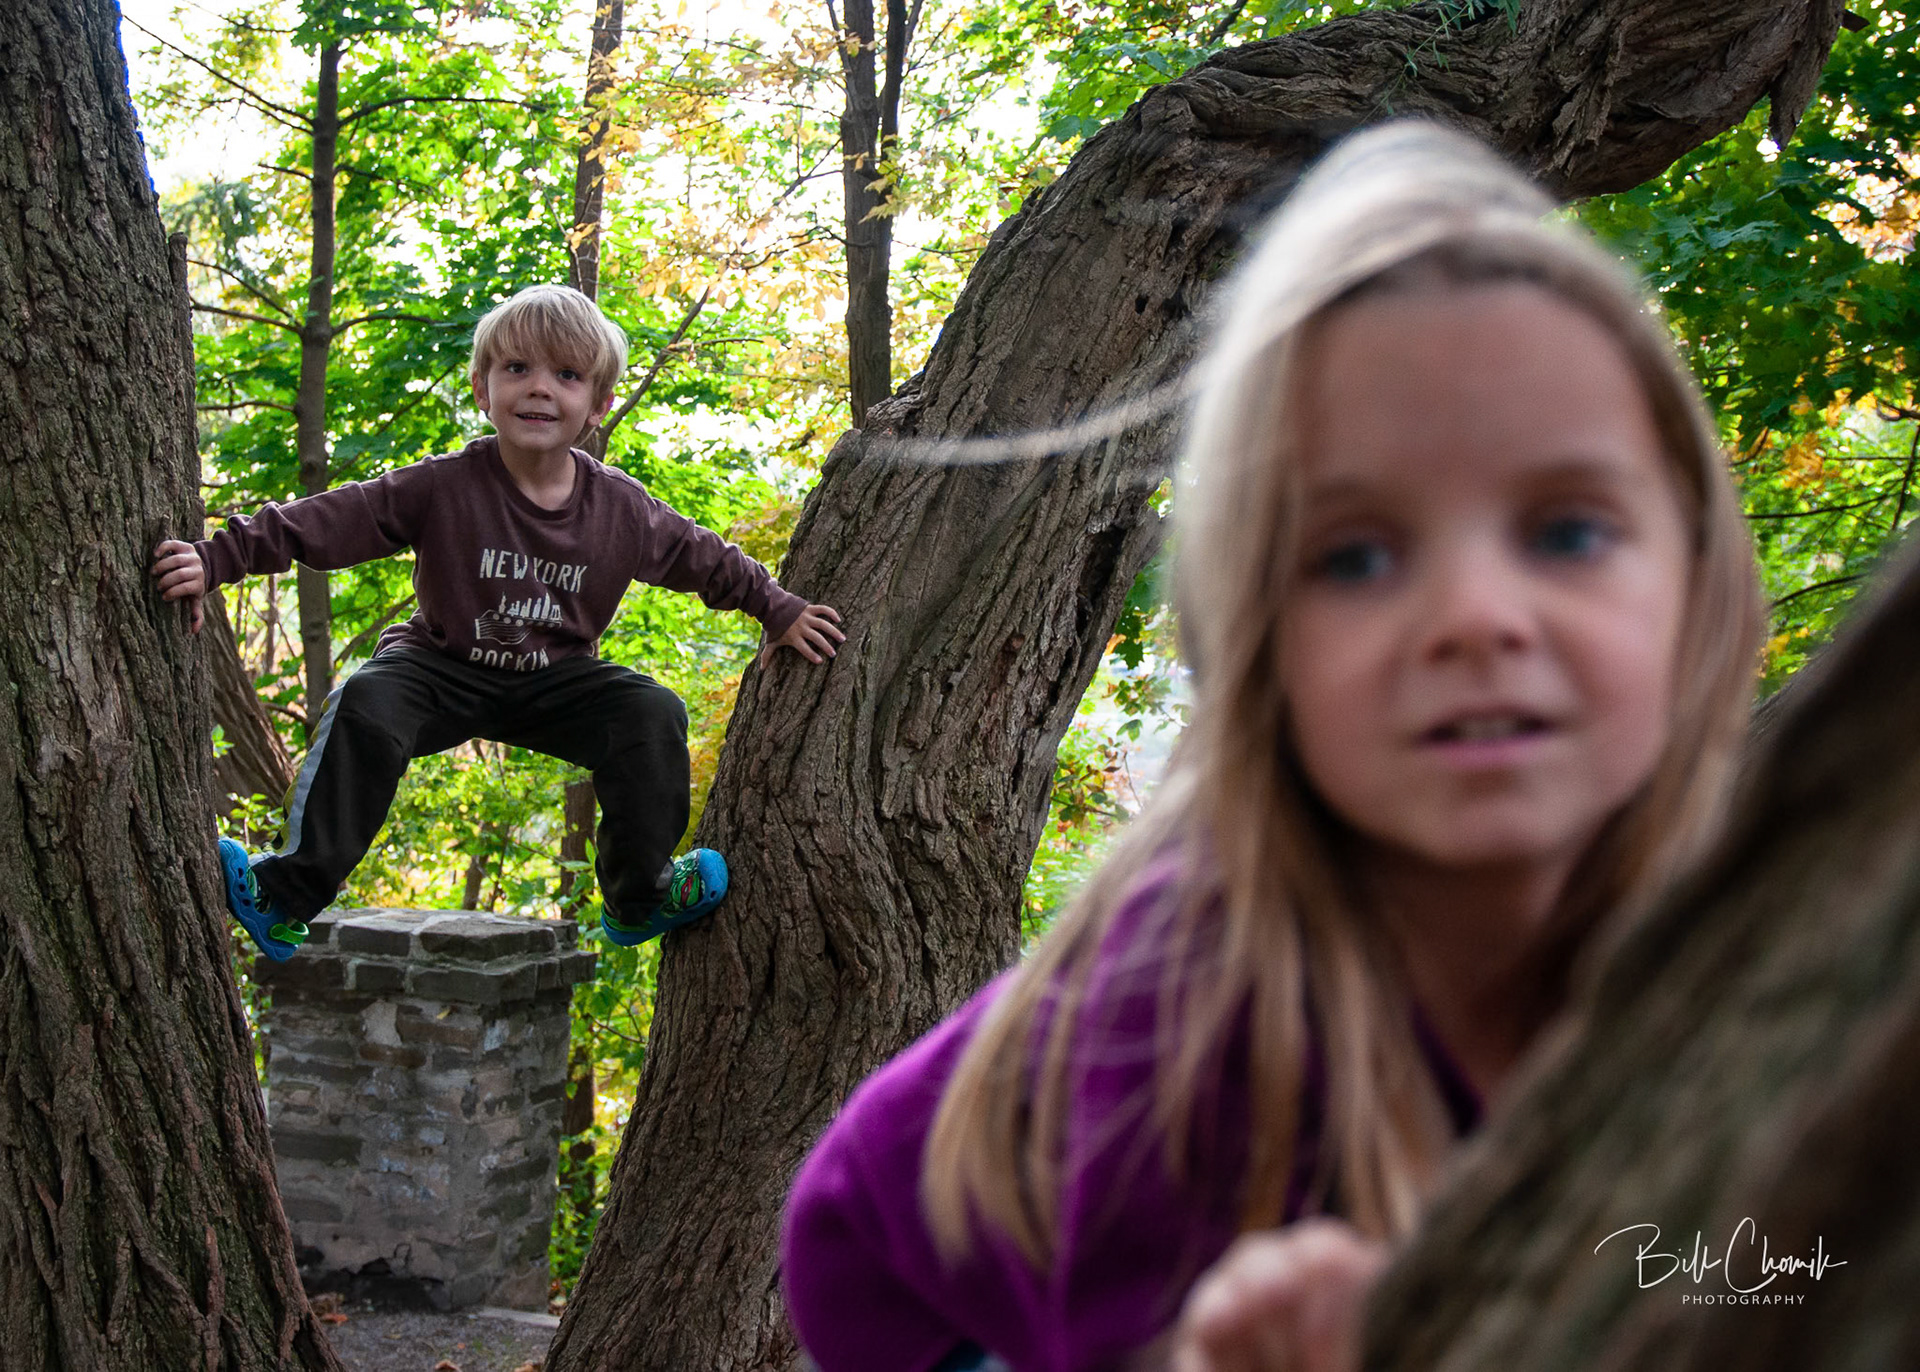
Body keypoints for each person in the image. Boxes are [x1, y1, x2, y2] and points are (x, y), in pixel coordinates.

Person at [779, 121, 1763, 1372]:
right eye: (1352, 555)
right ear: (1256, 657)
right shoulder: (1183, 1037)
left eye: (1567, 532)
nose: (1474, 617)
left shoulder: (1762, 918)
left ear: (1697, 582)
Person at [150, 284, 845, 961]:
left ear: (597, 405)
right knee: (366, 701)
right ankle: (284, 895)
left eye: (567, 376)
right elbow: (334, 519)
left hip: (559, 680)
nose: (540, 389)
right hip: (439, 665)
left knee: (651, 711)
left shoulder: (621, 510)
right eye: (517, 369)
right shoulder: (444, 485)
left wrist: (778, 610)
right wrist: (218, 559)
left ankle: (640, 897)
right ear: (483, 390)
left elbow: (706, 558)